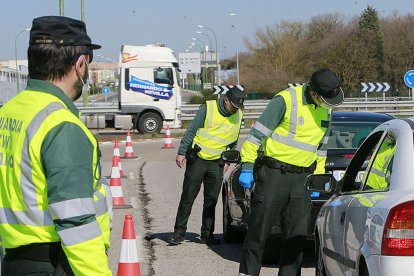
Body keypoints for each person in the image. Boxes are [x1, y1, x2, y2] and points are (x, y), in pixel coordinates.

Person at [0, 16, 112, 275]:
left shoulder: (9, 113)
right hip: (54, 264)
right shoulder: (61, 125)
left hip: (13, 262)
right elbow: (76, 221)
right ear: (80, 63)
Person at [238, 69, 344, 276]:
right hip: (273, 175)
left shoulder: (325, 109)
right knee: (259, 232)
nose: (329, 104)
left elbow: (321, 148)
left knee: (295, 238)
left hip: (303, 180)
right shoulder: (285, 100)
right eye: (326, 99)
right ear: (313, 92)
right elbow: (256, 135)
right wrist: (248, 167)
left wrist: (318, 178)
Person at [168, 86, 245, 245]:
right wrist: (182, 152)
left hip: (217, 163)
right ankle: (179, 233)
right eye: (234, 106)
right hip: (198, 159)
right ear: (226, 100)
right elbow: (191, 130)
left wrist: (227, 161)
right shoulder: (208, 108)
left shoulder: (239, 115)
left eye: (238, 107)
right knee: (188, 197)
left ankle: (207, 234)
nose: (235, 110)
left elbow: (233, 141)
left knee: (211, 200)